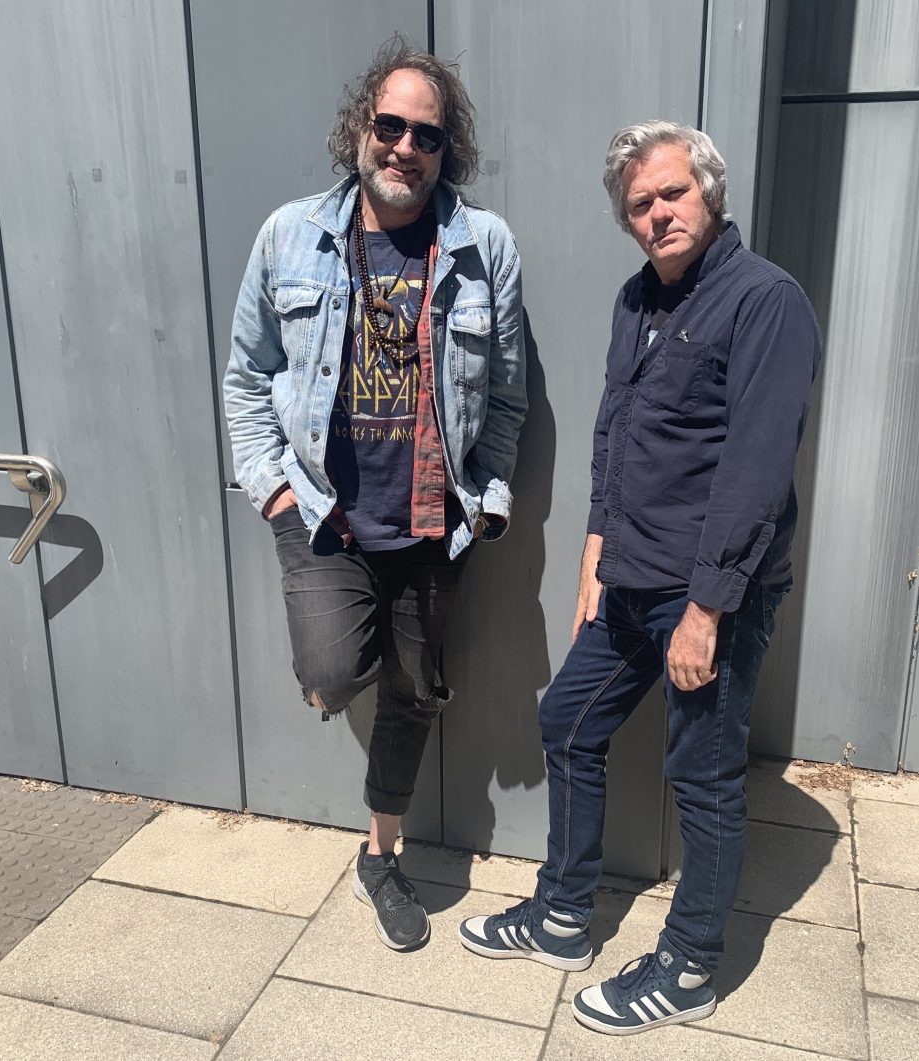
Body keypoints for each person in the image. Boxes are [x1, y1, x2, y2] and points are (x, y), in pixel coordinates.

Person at [459, 121, 820, 1034]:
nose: (658, 213)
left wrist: (706, 608)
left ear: (709, 191)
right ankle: (565, 914)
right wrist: (594, 556)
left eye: (672, 193)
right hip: (631, 579)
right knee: (567, 720)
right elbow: (614, 438)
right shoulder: (636, 301)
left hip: (711, 592)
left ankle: (693, 964)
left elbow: (754, 470)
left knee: (701, 775)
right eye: (640, 205)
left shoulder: (765, 301)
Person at [224, 37, 526, 952]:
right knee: (331, 672)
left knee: (418, 689)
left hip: (437, 519)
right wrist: (274, 491)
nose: (404, 147)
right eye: (388, 125)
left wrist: (493, 494)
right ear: (362, 127)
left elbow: (507, 394)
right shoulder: (291, 236)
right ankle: (333, 667)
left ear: (447, 150)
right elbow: (247, 377)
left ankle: (379, 853)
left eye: (425, 135)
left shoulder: (485, 247)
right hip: (324, 518)